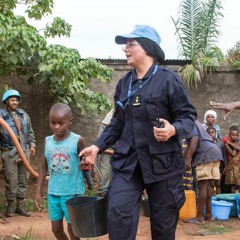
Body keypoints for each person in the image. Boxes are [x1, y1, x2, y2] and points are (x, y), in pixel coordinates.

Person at [79, 24, 197, 240]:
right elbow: (116, 124)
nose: (125, 48)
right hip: (129, 164)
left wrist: (173, 130)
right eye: (125, 44)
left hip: (163, 165)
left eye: (131, 44)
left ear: (148, 48)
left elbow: (188, 117)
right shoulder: (124, 84)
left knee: (163, 228)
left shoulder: (168, 79)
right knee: (118, 215)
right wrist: (97, 146)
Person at [34, 103, 85, 240]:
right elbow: (44, 167)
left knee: (73, 230)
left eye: (61, 123)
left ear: (70, 121)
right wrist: (38, 191)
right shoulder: (48, 141)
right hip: (53, 193)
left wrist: (85, 165)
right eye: (53, 123)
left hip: (72, 193)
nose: (56, 127)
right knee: (56, 229)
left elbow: (86, 164)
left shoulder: (77, 141)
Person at [0, 89, 36, 217]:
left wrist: (32, 145)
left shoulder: (24, 115)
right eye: (12, 100)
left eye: (16, 100)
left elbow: (30, 132)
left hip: (25, 151)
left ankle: (20, 206)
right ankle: (10, 206)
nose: (15, 102)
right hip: (9, 152)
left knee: (23, 179)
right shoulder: (1, 116)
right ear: (7, 101)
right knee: (12, 180)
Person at [184, 120, 223, 225]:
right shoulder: (197, 123)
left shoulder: (189, 122)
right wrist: (184, 158)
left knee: (202, 186)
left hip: (205, 154)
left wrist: (187, 160)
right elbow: (189, 146)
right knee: (210, 186)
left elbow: (194, 139)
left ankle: (199, 218)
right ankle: (209, 215)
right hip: (215, 152)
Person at [96, 109, 114, 196]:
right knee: (104, 180)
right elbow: (101, 146)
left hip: (127, 144)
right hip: (108, 145)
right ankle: (102, 204)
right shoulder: (108, 121)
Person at [206, 126, 227, 194]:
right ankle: (212, 200)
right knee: (211, 184)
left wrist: (225, 165)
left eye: (212, 132)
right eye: (209, 133)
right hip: (209, 164)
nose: (211, 134)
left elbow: (223, 154)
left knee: (218, 184)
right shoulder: (205, 142)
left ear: (215, 133)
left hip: (219, 164)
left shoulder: (220, 143)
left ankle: (218, 200)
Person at [222, 125, 240, 193]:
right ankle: (233, 200)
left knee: (238, 185)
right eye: (233, 135)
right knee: (232, 185)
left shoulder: (235, 142)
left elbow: (238, 149)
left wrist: (230, 144)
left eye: (236, 135)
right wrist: (229, 144)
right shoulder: (227, 144)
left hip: (238, 167)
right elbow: (232, 153)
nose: (234, 136)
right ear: (229, 134)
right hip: (232, 167)